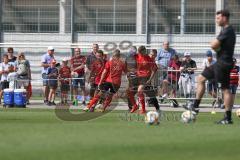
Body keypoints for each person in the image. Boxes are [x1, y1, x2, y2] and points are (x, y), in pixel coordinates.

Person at [191, 10, 236, 124]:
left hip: (222, 64)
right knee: (201, 79)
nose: (216, 20)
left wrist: (213, 44)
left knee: (225, 89)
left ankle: (227, 117)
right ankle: (195, 107)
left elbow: (214, 45)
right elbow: (217, 47)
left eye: (218, 18)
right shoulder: (227, 30)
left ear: (225, 18)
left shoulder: (227, 30)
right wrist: (216, 47)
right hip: (222, 63)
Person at [129, 46, 158, 114]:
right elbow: (130, 55)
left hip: (145, 77)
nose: (140, 54)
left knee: (140, 90)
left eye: (142, 53)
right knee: (129, 92)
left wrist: (150, 79)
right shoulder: (136, 56)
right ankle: (135, 106)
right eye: (139, 53)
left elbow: (155, 69)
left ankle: (143, 109)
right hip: (138, 77)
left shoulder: (149, 58)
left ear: (144, 51)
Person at [125, 46, 138, 111]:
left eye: (134, 51)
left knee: (132, 92)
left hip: (137, 77)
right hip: (130, 77)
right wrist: (127, 72)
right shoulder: (127, 57)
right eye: (132, 50)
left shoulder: (138, 57)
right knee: (128, 92)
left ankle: (134, 105)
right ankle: (131, 106)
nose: (133, 52)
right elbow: (125, 66)